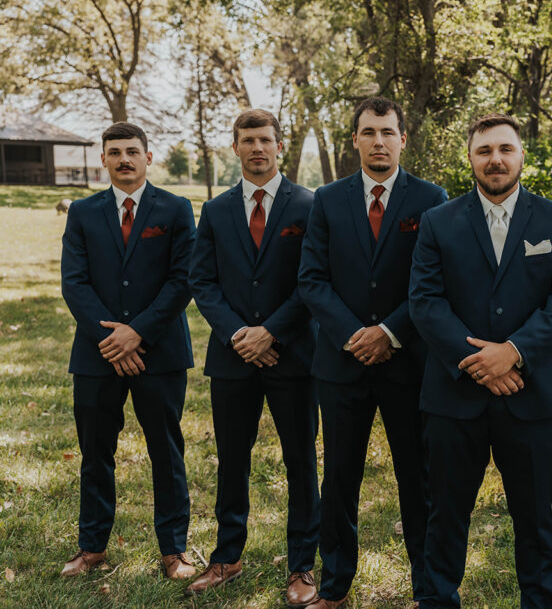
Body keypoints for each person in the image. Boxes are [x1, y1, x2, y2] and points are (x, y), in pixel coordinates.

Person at [409, 113, 552, 608]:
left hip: (531, 396)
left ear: (522, 155)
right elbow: (425, 301)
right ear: (470, 158)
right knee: (445, 514)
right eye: (484, 151)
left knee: (535, 516)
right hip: (453, 396)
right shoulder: (438, 221)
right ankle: (438, 600)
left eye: (505, 149)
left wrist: (513, 353)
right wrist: (479, 361)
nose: (496, 160)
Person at [298, 97, 447, 608]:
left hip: (410, 364)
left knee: (418, 479)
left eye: (387, 132)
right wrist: (356, 335)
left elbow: (436, 282)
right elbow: (311, 280)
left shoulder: (432, 199)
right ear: (355, 140)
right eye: (369, 132)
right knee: (339, 478)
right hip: (341, 364)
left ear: (403, 139)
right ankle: (335, 586)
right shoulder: (328, 200)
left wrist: (389, 331)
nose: (378, 141)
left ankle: (428, 589)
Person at [186, 109, 320, 605]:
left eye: (265, 139)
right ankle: (227, 556)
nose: (257, 148)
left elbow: (313, 281)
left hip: (293, 356)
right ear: (235, 148)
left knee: (301, 461)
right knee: (232, 461)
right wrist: (241, 333)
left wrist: (273, 333)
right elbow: (202, 280)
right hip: (232, 357)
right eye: (248, 140)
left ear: (279, 146)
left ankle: (302, 564)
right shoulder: (216, 210)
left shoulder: (310, 205)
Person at [59, 121, 197, 580]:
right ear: (103, 159)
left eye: (132, 151)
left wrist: (136, 334)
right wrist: (111, 341)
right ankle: (92, 547)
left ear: (148, 157)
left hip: (159, 353)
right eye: (114, 152)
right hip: (96, 354)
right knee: (95, 452)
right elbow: (74, 283)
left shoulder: (176, 209)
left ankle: (174, 550)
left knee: (167, 451)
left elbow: (183, 281)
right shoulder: (81, 212)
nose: (124, 159)